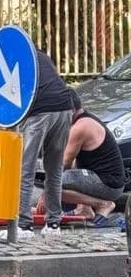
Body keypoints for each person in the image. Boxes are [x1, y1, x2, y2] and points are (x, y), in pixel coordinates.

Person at [0, 47, 73, 241]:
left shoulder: (16, 57)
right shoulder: (42, 57)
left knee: (25, 168)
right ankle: (54, 223)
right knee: (54, 169)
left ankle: (24, 225)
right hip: (64, 106)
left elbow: (13, 92)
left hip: (40, 110)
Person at [38, 90, 126, 228]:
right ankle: (84, 210)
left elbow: (62, 165)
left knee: (53, 183)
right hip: (106, 179)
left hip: (108, 184)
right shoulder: (85, 119)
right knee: (69, 175)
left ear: (71, 110)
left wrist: (46, 193)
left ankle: (103, 205)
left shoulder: (80, 127)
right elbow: (76, 165)